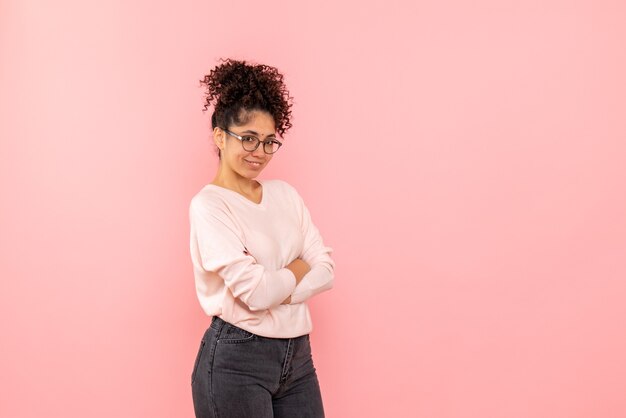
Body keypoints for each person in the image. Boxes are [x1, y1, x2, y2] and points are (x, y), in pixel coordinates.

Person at [189, 58, 335, 418]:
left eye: (269, 142)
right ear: (220, 136)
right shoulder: (210, 205)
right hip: (236, 360)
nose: (259, 152)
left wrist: (279, 288)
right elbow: (256, 293)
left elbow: (327, 269)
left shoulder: (285, 194)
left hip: (298, 358)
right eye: (249, 138)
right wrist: (300, 267)